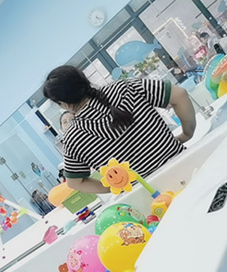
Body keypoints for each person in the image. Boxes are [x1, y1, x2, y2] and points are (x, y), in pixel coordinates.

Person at [42, 65, 196, 194]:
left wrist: (116, 185)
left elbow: (75, 183)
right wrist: (187, 134)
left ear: (62, 103)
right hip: (188, 167)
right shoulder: (125, 88)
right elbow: (179, 95)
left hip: (151, 195)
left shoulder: (73, 138)